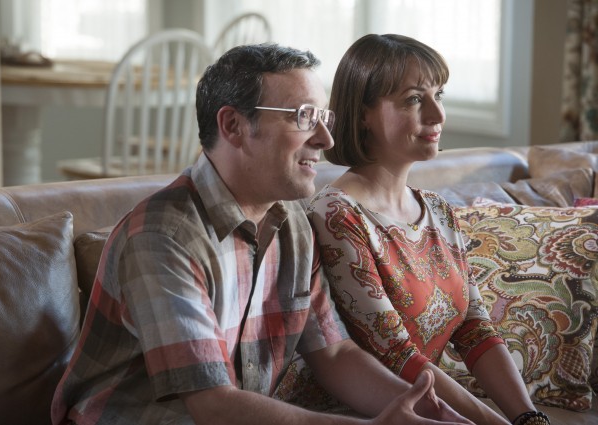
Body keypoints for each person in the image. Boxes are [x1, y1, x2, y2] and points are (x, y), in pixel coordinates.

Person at [50, 43, 473, 425]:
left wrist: (426, 410)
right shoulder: (162, 237)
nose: (325, 139)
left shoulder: (293, 223)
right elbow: (214, 406)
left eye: (323, 117)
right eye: (304, 117)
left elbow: (333, 353)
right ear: (233, 125)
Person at [308, 34, 550, 425]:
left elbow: (475, 330)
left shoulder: (437, 209)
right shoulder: (337, 215)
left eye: (439, 95)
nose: (437, 115)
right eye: (414, 99)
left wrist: (528, 419)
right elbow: (396, 356)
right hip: (369, 414)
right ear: (364, 114)